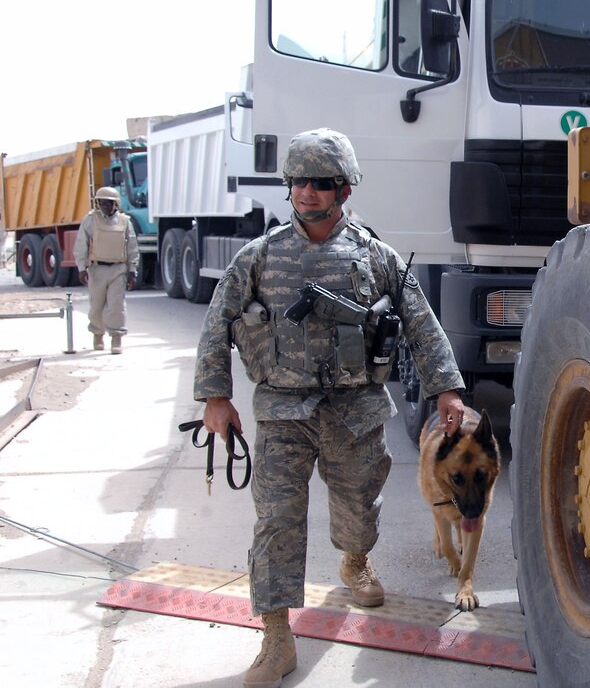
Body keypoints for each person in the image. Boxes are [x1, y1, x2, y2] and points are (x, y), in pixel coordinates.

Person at [193, 128, 466, 687]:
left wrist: (447, 388)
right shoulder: (259, 257)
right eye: (298, 182)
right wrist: (216, 397)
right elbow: (217, 323)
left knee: (360, 510)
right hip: (281, 412)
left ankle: (355, 559)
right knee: (276, 522)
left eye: (321, 183)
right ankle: (276, 634)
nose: (307, 192)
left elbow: (420, 321)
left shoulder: (375, 256)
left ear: (343, 190)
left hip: (355, 411)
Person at [73, 186, 139, 354]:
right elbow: (81, 244)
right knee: (96, 305)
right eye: (102, 203)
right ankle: (97, 334)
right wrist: (82, 268)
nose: (106, 206)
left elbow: (132, 246)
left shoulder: (125, 221)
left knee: (116, 306)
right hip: (97, 269)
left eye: (109, 203)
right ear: (98, 203)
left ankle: (116, 337)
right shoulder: (90, 220)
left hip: (118, 268)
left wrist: (132, 270)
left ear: (116, 204)